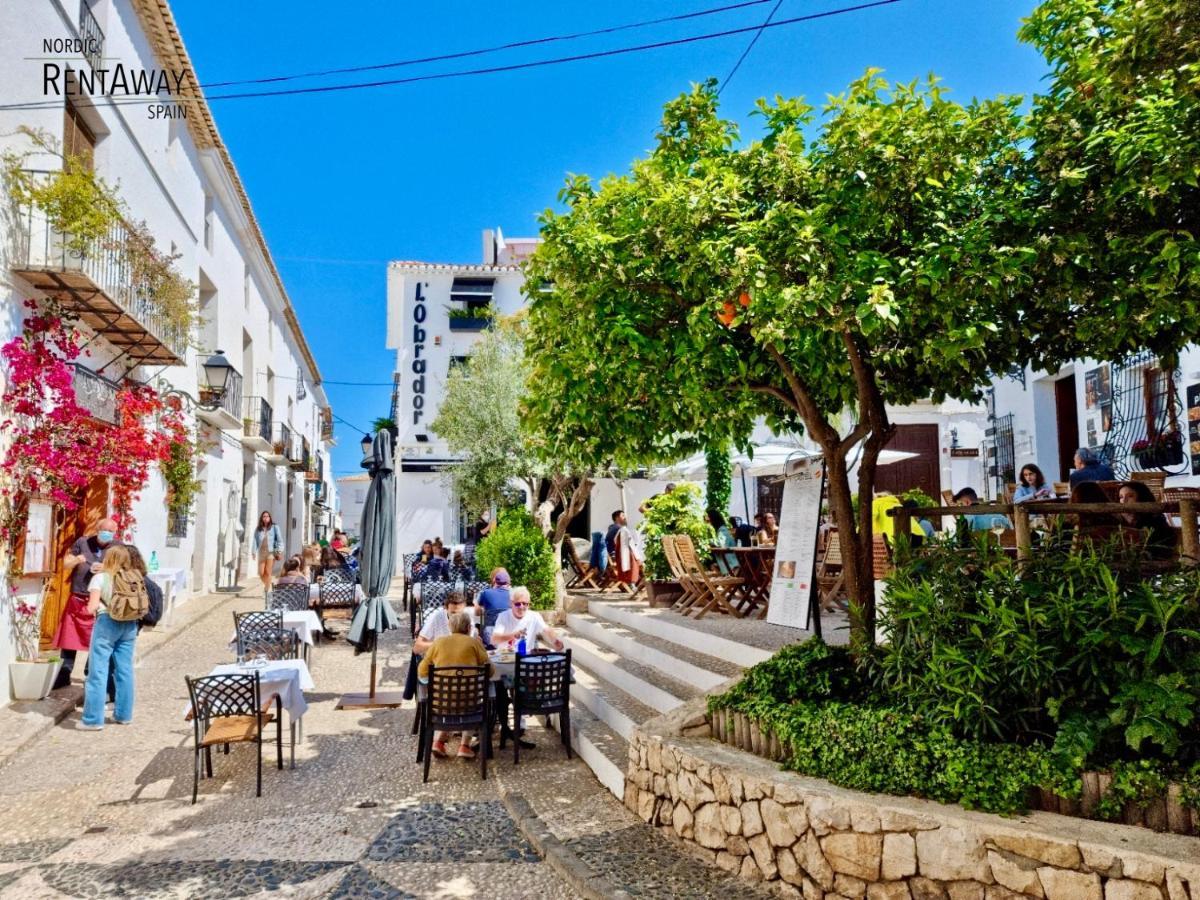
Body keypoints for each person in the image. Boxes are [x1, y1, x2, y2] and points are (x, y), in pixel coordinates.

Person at [78, 546, 145, 730]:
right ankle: (124, 715)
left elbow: (92, 607)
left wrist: (83, 610)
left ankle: (93, 720)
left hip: (107, 623)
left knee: (98, 671)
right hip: (130, 624)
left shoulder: (100, 578)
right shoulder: (134, 576)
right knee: (125, 670)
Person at [53, 517, 121, 690]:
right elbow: (66, 563)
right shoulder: (83, 542)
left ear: (114, 533)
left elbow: (123, 570)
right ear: (97, 530)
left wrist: (106, 569)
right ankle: (64, 674)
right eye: (103, 530)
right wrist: (77, 560)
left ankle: (90, 672)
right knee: (70, 637)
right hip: (78, 595)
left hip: (103, 600)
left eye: (110, 531)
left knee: (98, 638)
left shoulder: (117, 547)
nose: (107, 534)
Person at [417, 611, 492, 759]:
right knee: (473, 699)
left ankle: (438, 742)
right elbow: (490, 669)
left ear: (450, 626)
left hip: (441, 706)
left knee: (450, 699)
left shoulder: (438, 643)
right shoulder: (474, 643)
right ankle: (464, 745)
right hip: (469, 707)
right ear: (469, 628)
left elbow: (422, 671)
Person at [491, 586, 564, 653]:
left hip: (526, 658)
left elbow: (547, 630)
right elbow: (494, 640)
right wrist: (514, 635)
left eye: (525, 603)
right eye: (517, 604)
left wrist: (555, 640)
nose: (521, 607)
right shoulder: (503, 616)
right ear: (511, 603)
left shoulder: (534, 616)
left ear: (529, 604)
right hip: (506, 657)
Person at [1117, 481, 1178, 560]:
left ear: (1142, 497)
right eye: (1121, 497)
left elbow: (1163, 548)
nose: (1124, 501)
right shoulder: (1119, 520)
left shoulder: (1155, 520)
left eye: (1130, 496)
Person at [414, 591, 475, 655]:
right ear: (445, 608)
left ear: (464, 608)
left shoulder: (468, 619)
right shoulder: (436, 617)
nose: (456, 617)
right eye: (453, 613)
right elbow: (417, 648)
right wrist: (443, 644)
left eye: (459, 613)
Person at [475, 568, 512, 643]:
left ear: (494, 580)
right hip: (510, 634)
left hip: (491, 636)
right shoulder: (515, 593)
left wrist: (475, 603)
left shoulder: (485, 592)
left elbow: (477, 613)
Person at [251, 511, 284, 594]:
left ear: (270, 518)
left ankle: (266, 590)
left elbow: (279, 539)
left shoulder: (274, 527)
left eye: (267, 516)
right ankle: (268, 585)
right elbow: (255, 540)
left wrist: (279, 550)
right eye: (264, 516)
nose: (266, 518)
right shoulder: (258, 529)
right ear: (262, 518)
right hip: (261, 552)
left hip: (271, 552)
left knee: (268, 572)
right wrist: (253, 551)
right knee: (261, 573)